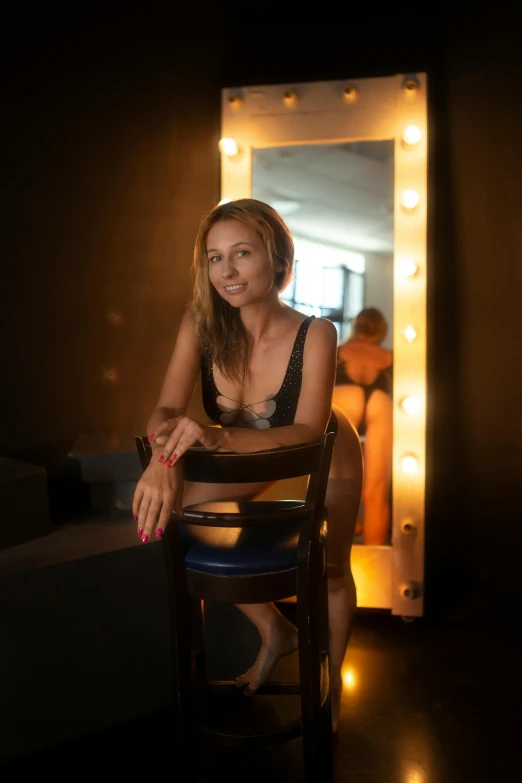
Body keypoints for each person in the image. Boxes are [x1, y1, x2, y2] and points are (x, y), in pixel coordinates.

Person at [132, 198, 362, 732]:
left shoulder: (316, 333)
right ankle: (276, 633)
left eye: (241, 253)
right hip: (241, 454)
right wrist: (166, 457)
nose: (226, 271)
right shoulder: (201, 325)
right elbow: (165, 410)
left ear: (277, 259)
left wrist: (212, 437)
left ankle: (334, 689)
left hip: (325, 449)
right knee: (170, 516)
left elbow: (305, 431)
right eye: (214, 258)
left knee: (330, 574)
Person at [333, 308, 393, 545]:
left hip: (344, 397)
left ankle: (334, 564)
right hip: (380, 402)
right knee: (376, 493)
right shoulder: (392, 356)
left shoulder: (338, 352)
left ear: (356, 326)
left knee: (336, 486)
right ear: (382, 332)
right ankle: (376, 561)